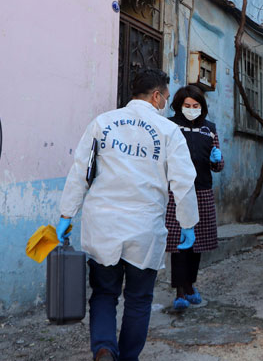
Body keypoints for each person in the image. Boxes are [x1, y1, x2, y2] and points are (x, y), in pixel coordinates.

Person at [55, 68, 199, 361]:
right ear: (156, 95)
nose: (166, 103)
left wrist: (66, 215)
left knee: (104, 294)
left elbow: (80, 171)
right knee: (138, 299)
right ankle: (128, 357)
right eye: (166, 97)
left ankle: (105, 348)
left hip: (102, 225)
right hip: (143, 228)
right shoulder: (169, 131)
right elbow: (183, 182)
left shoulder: (101, 123)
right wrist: (188, 223)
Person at [165, 85, 224, 311]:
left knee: (196, 242)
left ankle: (190, 286)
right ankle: (179, 291)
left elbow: (217, 166)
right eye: (187, 106)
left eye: (196, 106)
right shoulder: (170, 126)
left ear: (202, 107)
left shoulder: (209, 129)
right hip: (176, 192)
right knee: (180, 243)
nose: (191, 109)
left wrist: (217, 159)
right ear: (179, 106)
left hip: (201, 190)